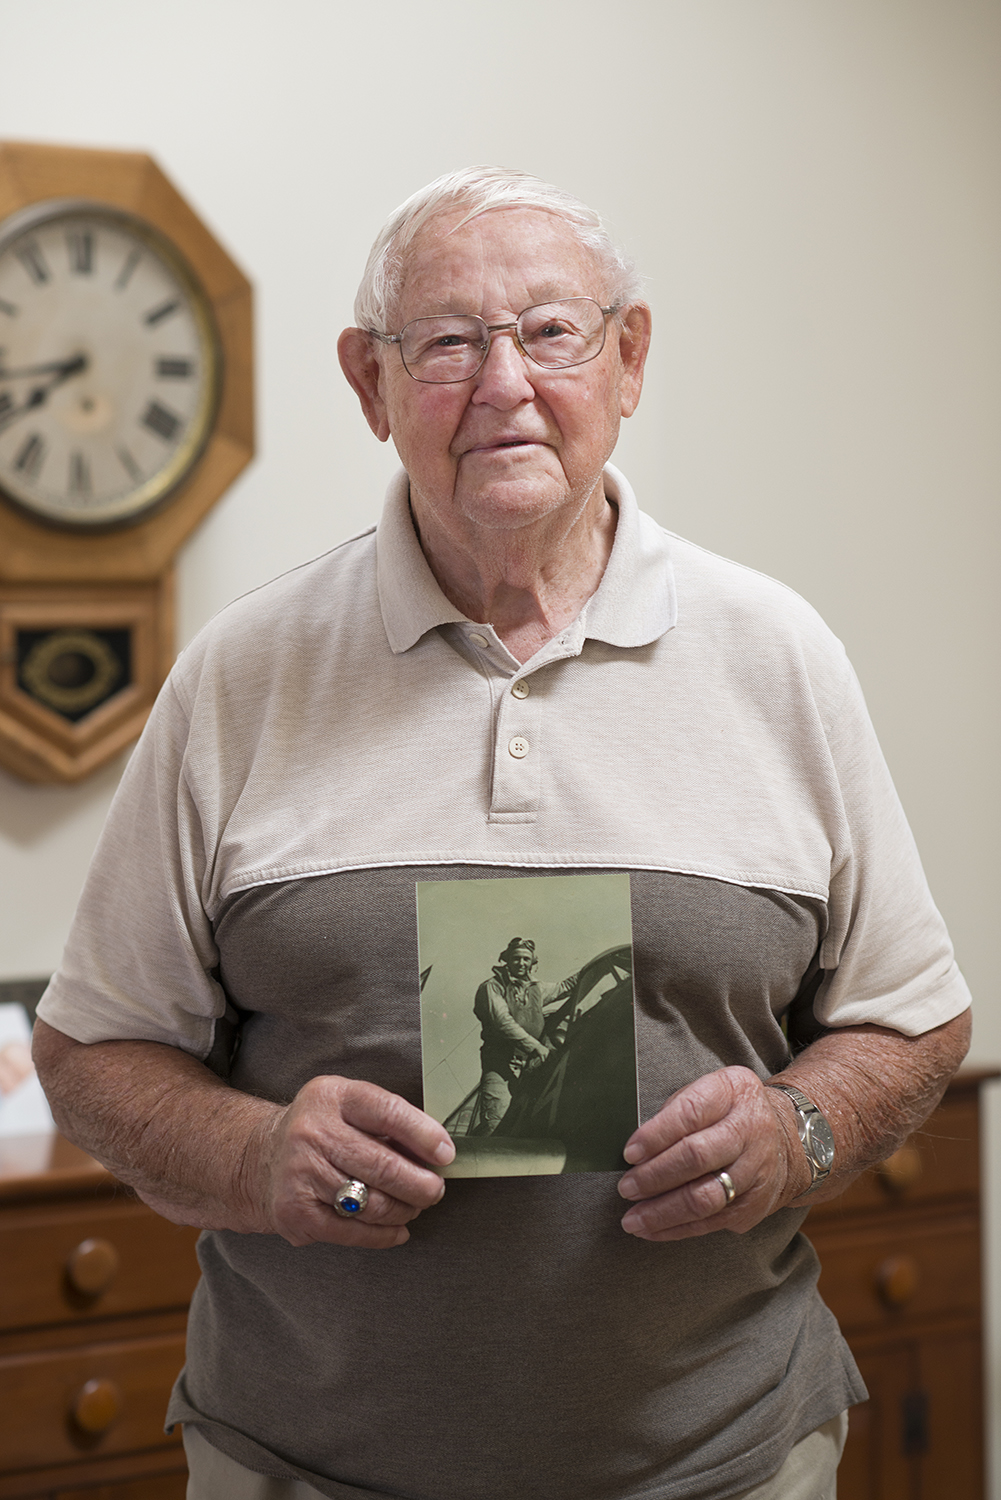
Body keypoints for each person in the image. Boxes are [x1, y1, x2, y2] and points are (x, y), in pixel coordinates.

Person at [32, 166, 971, 1500]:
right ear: (368, 382)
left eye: (550, 333)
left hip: (726, 1462)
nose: (503, 385)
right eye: (445, 343)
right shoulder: (240, 678)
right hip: (301, 1466)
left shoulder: (779, 657)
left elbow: (914, 1020)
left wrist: (798, 1133)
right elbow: (88, 1051)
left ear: (627, 359)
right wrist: (252, 1157)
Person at [471, 936, 578, 1134]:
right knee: (495, 1122)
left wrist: (591, 970)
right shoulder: (492, 987)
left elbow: (564, 987)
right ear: (507, 960)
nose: (521, 963)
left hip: (529, 1066)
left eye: (526, 959)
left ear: (532, 962)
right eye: (516, 958)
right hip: (500, 1065)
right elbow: (503, 1023)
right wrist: (537, 1047)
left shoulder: (537, 988)